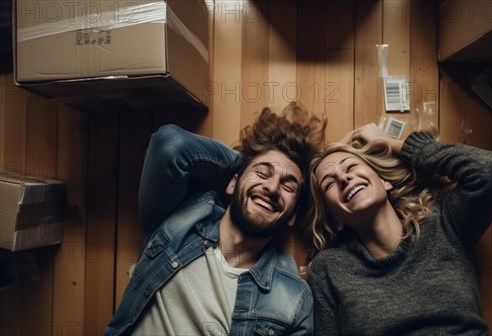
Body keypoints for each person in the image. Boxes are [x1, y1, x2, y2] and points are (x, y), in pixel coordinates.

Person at [104, 103, 326, 336]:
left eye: (287, 185)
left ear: (293, 216)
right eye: (262, 173)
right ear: (232, 183)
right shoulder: (180, 218)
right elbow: (171, 144)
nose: (272, 187)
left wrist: (250, 175)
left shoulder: (294, 297)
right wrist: (243, 164)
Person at [307, 123, 492, 335]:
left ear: (384, 181)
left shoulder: (443, 223)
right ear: (335, 218)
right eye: (329, 183)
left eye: (351, 167)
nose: (343, 178)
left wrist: (390, 143)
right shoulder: (328, 269)